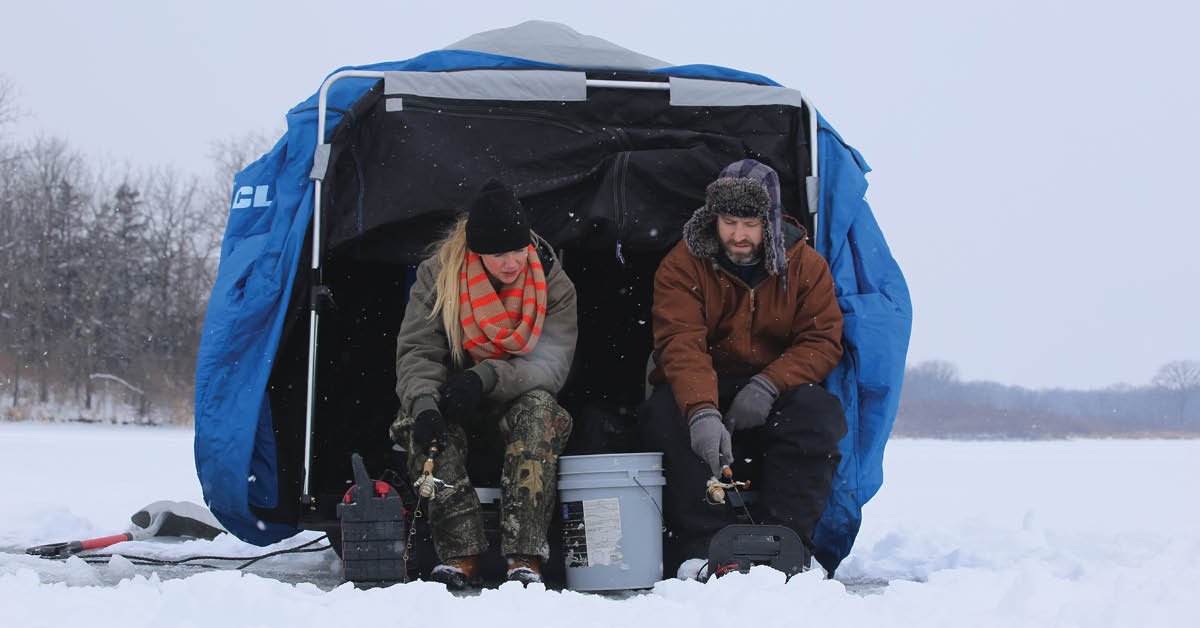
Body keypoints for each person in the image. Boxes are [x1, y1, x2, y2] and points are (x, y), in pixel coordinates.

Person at [639, 159, 847, 580]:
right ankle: (702, 550)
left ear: (769, 221)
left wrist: (769, 384)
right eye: (729, 221)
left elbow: (822, 339)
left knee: (818, 415)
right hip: (705, 381)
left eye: (749, 224)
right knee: (664, 414)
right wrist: (701, 410)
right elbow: (680, 343)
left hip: (775, 385)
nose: (738, 235)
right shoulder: (682, 264)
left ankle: (788, 544)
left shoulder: (807, 266)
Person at [390, 179, 577, 589]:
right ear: (476, 251)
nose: (510, 263)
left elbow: (551, 365)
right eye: (497, 254)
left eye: (516, 250)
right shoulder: (438, 277)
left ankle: (524, 556)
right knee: (415, 418)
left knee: (540, 411)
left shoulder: (552, 281)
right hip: (454, 399)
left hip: (515, 399)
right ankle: (461, 554)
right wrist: (424, 404)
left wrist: (486, 376)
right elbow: (418, 351)